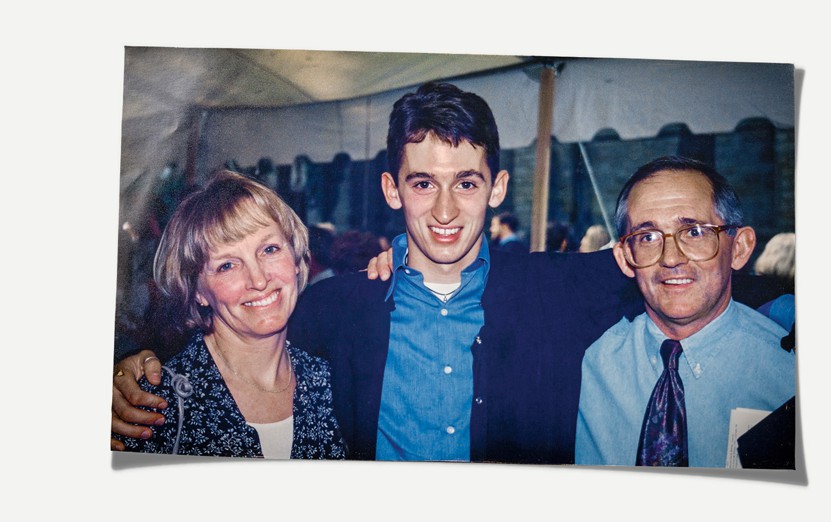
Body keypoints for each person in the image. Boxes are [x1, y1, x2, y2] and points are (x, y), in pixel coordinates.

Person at [112, 84, 787, 465]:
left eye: (465, 182)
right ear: (390, 189)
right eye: (421, 183)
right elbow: (234, 336)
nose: (442, 210)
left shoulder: (564, 288)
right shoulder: (338, 308)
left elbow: (696, 277)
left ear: (496, 188)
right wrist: (139, 366)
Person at [574, 156, 795, 468]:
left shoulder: (787, 377)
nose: (671, 258)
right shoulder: (587, 362)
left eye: (694, 232)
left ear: (740, 248)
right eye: (647, 237)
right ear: (625, 258)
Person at [111, 169, 346, 459]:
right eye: (227, 266)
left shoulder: (335, 383)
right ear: (196, 289)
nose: (259, 280)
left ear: (296, 258)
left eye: (270, 249)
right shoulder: (153, 403)